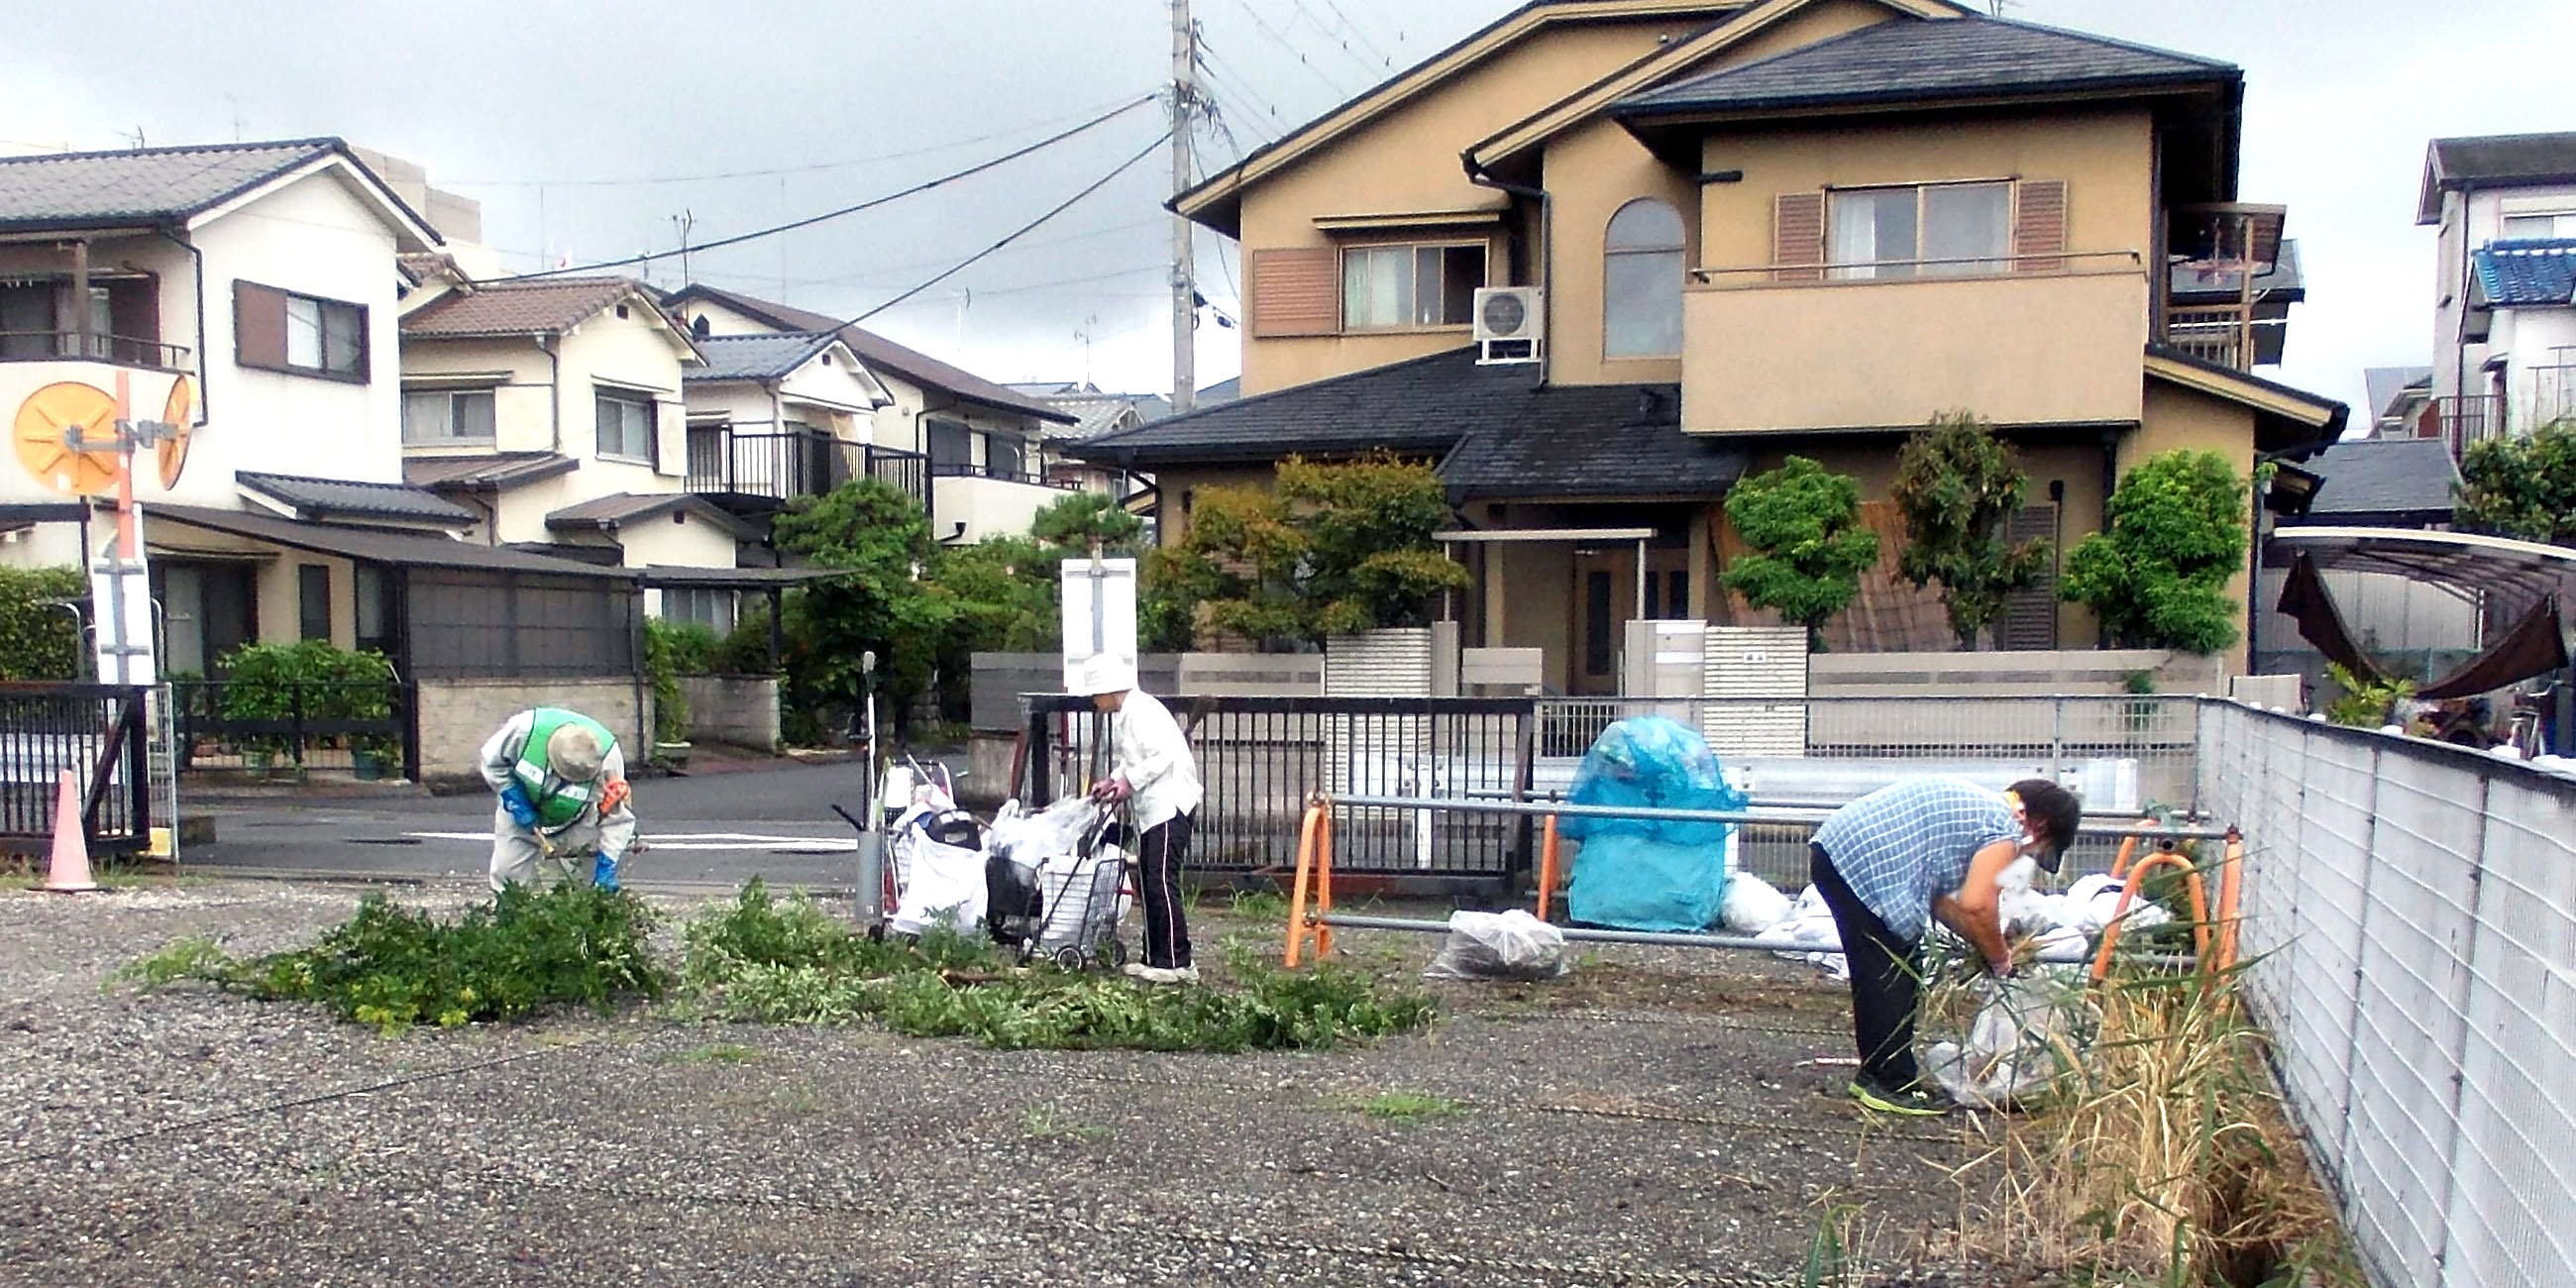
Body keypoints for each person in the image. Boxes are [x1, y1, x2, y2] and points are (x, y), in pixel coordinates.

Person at [1807, 776, 2082, 1116]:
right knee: (1892, 972)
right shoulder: (2003, 829)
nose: (2025, 858)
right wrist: (2000, 961)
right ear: (2040, 827)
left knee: (1887, 965)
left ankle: (1878, 1076)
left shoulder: (1977, 813)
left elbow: (1946, 904)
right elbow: (1978, 905)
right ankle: (1888, 1082)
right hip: (1862, 862)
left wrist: (1985, 942)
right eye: (2036, 851)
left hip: (1838, 852)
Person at [1073, 657, 1203, 985]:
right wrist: (1114, 779)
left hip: (1170, 806)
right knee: (1149, 880)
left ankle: (1178, 962)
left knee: (1161, 881)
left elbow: (1161, 756)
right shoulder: (1132, 712)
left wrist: (1126, 782)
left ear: (1107, 689)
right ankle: (1156, 957)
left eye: (1095, 693)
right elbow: (1135, 759)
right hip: (1155, 808)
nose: (1094, 701)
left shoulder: (1142, 711)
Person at [478, 707, 636, 894]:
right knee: (508, 877)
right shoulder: (525, 730)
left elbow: (617, 819)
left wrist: (607, 865)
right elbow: (492, 762)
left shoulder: (608, 759)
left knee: (578, 885)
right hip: (519, 808)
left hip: (578, 819)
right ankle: (509, 915)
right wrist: (512, 795)